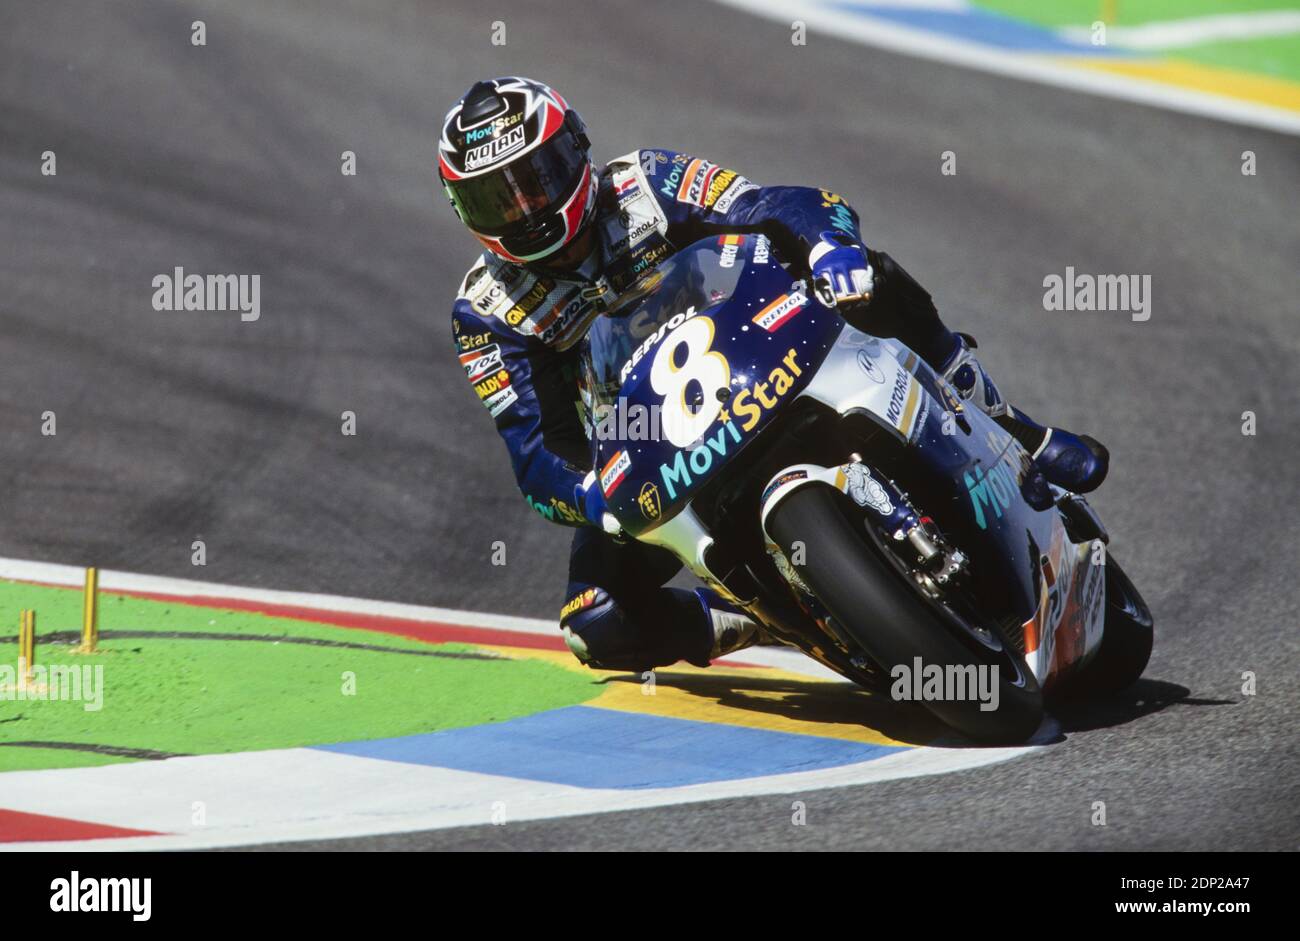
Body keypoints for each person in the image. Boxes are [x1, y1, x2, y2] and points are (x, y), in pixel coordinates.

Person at [441, 76, 1108, 672]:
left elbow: (770, 203)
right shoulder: (486, 312)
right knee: (594, 622)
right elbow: (535, 450)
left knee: (867, 273)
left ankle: (1007, 421)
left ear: (577, 151)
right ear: (465, 211)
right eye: (498, 199)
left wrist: (828, 245)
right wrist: (591, 495)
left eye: (539, 177)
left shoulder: (643, 181)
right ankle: (748, 617)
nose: (527, 208)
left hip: (760, 346)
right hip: (647, 453)